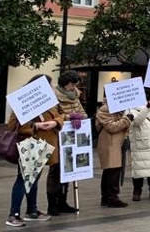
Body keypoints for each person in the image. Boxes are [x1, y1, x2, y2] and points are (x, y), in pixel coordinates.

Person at [5, 75, 62, 227]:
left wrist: (54, 122)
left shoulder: (48, 103)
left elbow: (59, 117)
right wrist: (36, 126)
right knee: (23, 180)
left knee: (34, 179)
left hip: (45, 146)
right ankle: (13, 214)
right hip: (30, 145)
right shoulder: (25, 101)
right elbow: (13, 126)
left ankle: (32, 211)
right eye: (50, 85)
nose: (52, 88)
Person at [49, 70, 85, 216]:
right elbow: (53, 116)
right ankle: (53, 205)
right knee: (55, 171)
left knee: (68, 169)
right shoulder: (54, 96)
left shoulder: (76, 96)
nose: (74, 87)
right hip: (58, 137)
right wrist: (69, 117)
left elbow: (82, 112)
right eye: (72, 84)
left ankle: (63, 202)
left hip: (72, 138)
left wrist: (80, 117)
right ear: (65, 84)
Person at [95, 99, 132, 208]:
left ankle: (107, 197)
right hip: (109, 142)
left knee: (112, 170)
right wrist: (126, 120)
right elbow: (112, 127)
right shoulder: (105, 109)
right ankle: (111, 197)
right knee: (112, 170)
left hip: (116, 143)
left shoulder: (119, 109)